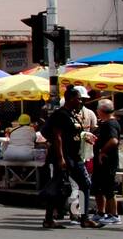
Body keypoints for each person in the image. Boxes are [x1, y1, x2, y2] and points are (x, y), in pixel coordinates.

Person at [39, 87, 102, 229]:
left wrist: (85, 137)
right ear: (70, 99)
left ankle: (83, 218)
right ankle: (50, 218)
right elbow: (58, 137)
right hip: (64, 157)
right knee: (58, 186)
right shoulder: (61, 115)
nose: (81, 101)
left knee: (83, 184)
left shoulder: (72, 114)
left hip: (75, 155)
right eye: (78, 98)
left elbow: (73, 134)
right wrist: (61, 158)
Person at [91, 98, 121, 225]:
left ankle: (113, 214)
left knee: (108, 188)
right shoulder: (105, 123)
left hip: (107, 161)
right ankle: (101, 212)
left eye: (98, 109)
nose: (97, 111)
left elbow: (114, 140)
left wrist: (102, 151)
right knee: (98, 187)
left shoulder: (111, 124)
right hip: (100, 161)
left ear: (102, 110)